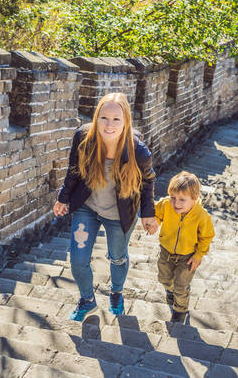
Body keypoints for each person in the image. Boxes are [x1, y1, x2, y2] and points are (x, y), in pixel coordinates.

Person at [53, 92, 159, 321]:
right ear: (96, 117)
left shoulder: (137, 150)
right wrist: (63, 198)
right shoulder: (83, 137)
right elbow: (73, 170)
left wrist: (148, 214)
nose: (109, 125)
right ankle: (87, 299)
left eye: (116, 119)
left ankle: (117, 292)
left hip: (119, 214)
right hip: (87, 207)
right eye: (104, 118)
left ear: (126, 121)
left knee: (117, 257)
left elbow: (148, 181)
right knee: (78, 259)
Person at [154, 171, 215, 323]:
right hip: (166, 251)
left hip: (188, 257)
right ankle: (170, 290)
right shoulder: (166, 205)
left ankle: (180, 311)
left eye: (182, 199)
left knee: (181, 287)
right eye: (173, 198)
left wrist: (199, 255)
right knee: (163, 278)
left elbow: (206, 236)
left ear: (194, 199)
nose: (176, 203)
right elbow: (156, 213)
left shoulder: (201, 215)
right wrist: (154, 221)